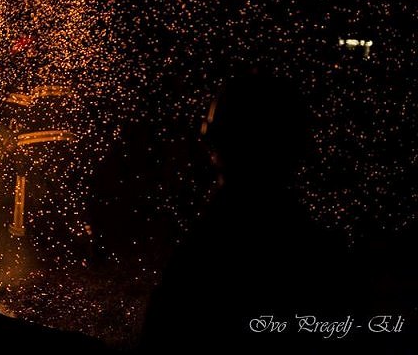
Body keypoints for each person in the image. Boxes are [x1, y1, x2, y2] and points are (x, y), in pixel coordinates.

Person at [139, 69, 363, 353]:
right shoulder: (315, 246)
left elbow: (164, 338)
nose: (204, 131)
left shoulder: (212, 245)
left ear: (223, 138)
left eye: (212, 123)